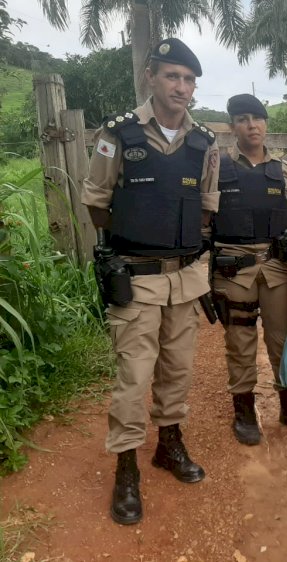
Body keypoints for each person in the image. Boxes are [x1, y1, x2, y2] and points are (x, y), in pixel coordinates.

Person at [82, 38, 219, 525]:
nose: (180, 87)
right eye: (171, 76)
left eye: (188, 79)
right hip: (136, 280)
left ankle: (169, 446)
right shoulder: (118, 134)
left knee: (177, 371)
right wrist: (128, 243)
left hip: (183, 279)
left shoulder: (203, 142)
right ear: (151, 77)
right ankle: (126, 468)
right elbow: (97, 202)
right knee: (133, 378)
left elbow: (206, 210)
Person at [210, 94, 287, 447]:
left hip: (275, 267)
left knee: (281, 339)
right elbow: (205, 222)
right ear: (232, 126)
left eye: (257, 118)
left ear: (266, 124)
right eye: (242, 118)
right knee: (239, 340)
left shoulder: (283, 170)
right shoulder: (217, 167)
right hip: (233, 267)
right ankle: (245, 411)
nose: (251, 125)